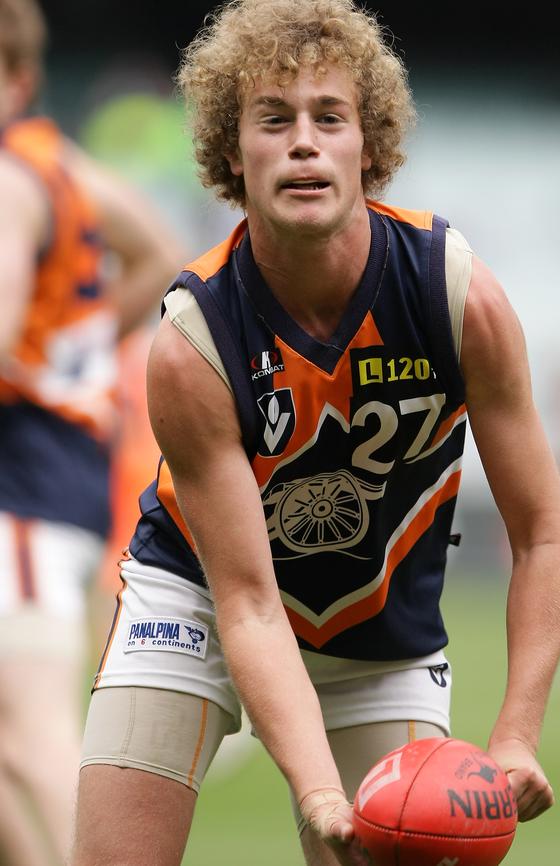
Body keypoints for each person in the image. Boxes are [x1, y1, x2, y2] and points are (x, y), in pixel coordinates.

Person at [70, 1, 560, 865]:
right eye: (274, 119)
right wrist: (316, 794)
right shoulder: (193, 341)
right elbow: (249, 601)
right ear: (233, 154)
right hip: (197, 598)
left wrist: (518, 736)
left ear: (368, 148)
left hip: (382, 632)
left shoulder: (457, 297)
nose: (304, 142)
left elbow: (543, 533)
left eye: (328, 118)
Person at [0, 1, 186, 864]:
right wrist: (71, 346)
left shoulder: (8, 177)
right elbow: (158, 246)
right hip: (53, 472)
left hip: (22, 484)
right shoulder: (61, 167)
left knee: (31, 727)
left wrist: (49, 355)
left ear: (17, 79)